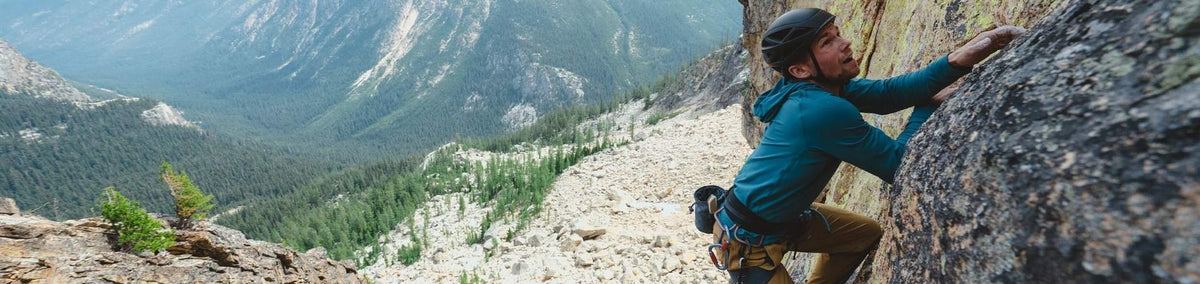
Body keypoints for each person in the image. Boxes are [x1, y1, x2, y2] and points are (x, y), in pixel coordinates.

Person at [710, 7, 1025, 284]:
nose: (845, 43)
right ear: (801, 70)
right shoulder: (820, 109)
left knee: (863, 234)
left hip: (778, 219)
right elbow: (900, 165)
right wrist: (926, 107)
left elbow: (889, 95)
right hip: (747, 243)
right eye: (827, 42)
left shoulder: (825, 87)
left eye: (837, 34)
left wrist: (958, 59)